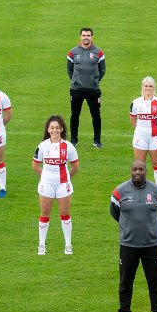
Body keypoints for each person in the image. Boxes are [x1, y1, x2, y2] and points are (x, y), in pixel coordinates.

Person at [111, 160, 157, 312]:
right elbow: (115, 212)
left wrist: (150, 228)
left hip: (152, 245)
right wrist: (128, 228)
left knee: (155, 281)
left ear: (146, 171)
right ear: (131, 171)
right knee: (125, 282)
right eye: (135, 169)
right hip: (128, 245)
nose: (138, 172)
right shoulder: (119, 191)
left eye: (141, 169)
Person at [33, 115, 79, 255]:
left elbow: (75, 166)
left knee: (64, 213)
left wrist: (66, 179)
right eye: (52, 128)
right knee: (45, 214)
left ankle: (68, 244)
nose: (54, 130)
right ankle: (41, 245)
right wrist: (46, 178)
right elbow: (35, 165)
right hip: (46, 185)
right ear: (48, 130)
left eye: (57, 128)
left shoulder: (68, 146)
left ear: (62, 129)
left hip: (63, 185)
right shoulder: (42, 146)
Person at [67, 27, 105, 148]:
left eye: (88, 35)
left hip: (93, 90)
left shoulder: (98, 52)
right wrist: (75, 80)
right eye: (84, 35)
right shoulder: (73, 52)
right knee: (75, 115)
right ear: (80, 37)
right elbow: (69, 70)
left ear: (92, 37)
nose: (86, 38)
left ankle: (97, 141)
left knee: (96, 115)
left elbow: (102, 70)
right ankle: (74, 140)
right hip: (76, 89)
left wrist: (94, 81)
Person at [130, 76, 157, 188]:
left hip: (155, 137)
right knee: (139, 164)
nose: (148, 88)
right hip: (140, 136)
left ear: (153, 88)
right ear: (142, 87)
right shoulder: (136, 102)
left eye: (150, 86)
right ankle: (140, 187)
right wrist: (140, 130)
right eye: (146, 86)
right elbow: (132, 118)